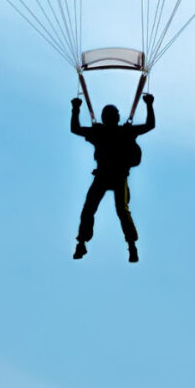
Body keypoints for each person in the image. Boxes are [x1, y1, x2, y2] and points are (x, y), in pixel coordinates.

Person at [71, 93, 154, 262]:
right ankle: (84, 243)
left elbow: (75, 129)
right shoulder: (120, 131)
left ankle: (128, 245)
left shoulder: (105, 132)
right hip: (111, 176)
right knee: (110, 209)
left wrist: (76, 109)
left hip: (112, 176)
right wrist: (149, 105)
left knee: (102, 209)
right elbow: (149, 125)